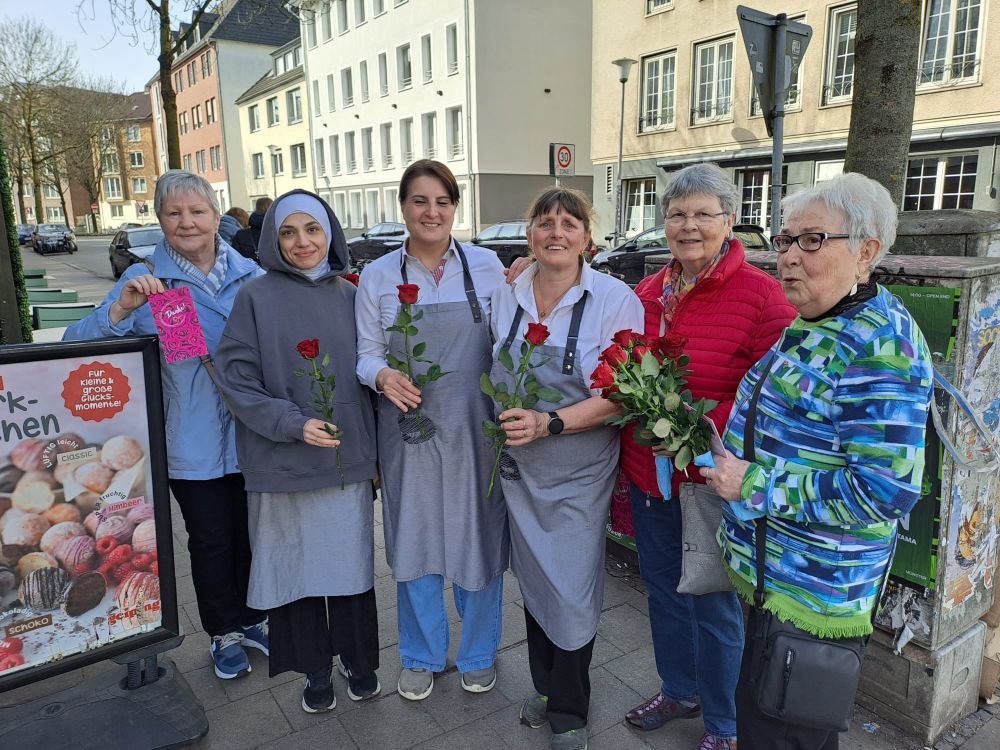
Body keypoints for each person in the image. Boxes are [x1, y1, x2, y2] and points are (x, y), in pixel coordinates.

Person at [700, 173, 934, 750]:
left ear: (866, 254)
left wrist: (751, 481)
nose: (787, 259)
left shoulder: (882, 348)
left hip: (813, 596)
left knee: (785, 735)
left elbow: (883, 491)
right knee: (766, 723)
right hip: (775, 580)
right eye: (783, 241)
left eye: (811, 241)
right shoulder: (819, 320)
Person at [63, 170, 267, 680]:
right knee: (211, 538)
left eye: (197, 211)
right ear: (160, 220)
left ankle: (253, 617)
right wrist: (120, 308)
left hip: (253, 439)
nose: (187, 222)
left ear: (216, 216)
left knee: (252, 533)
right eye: (174, 213)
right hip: (191, 445)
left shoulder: (252, 275)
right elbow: (75, 344)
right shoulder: (148, 282)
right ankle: (223, 632)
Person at [620, 164, 795, 750]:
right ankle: (679, 689)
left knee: (715, 603)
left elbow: (771, 391)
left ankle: (725, 724)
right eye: (676, 214)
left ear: (728, 220)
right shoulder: (646, 292)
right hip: (650, 472)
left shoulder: (763, 295)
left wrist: (694, 424)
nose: (688, 226)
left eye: (702, 214)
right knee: (665, 589)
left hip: (711, 476)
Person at [215, 191, 380, 713]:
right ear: (273, 240)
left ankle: (359, 661)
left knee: (350, 569)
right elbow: (237, 379)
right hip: (282, 461)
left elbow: (374, 377)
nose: (302, 242)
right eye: (289, 232)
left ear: (330, 232)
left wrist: (375, 457)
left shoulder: (351, 295)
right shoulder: (254, 298)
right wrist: (292, 423)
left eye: (312, 229)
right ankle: (314, 669)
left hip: (342, 462)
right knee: (298, 574)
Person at [492, 187, 644, 750]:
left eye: (568, 223)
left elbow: (625, 393)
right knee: (534, 582)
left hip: (578, 468)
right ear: (530, 234)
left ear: (588, 237)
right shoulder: (506, 295)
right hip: (519, 467)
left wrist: (551, 423)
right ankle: (547, 689)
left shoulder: (614, 299)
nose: (556, 232)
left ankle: (571, 712)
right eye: (545, 223)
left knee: (572, 585)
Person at [354, 160, 509, 701]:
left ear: (454, 208)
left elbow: (510, 345)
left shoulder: (489, 268)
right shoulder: (376, 277)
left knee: (478, 540)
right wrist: (381, 374)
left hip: (476, 429)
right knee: (414, 539)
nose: (432, 212)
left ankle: (479, 653)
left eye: (442, 201)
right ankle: (419, 655)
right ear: (403, 208)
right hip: (408, 430)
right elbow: (365, 354)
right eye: (420, 201)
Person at [233, 196, 273, 261]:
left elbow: (235, 259)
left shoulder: (241, 234)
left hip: (249, 270)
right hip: (273, 270)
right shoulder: (279, 232)